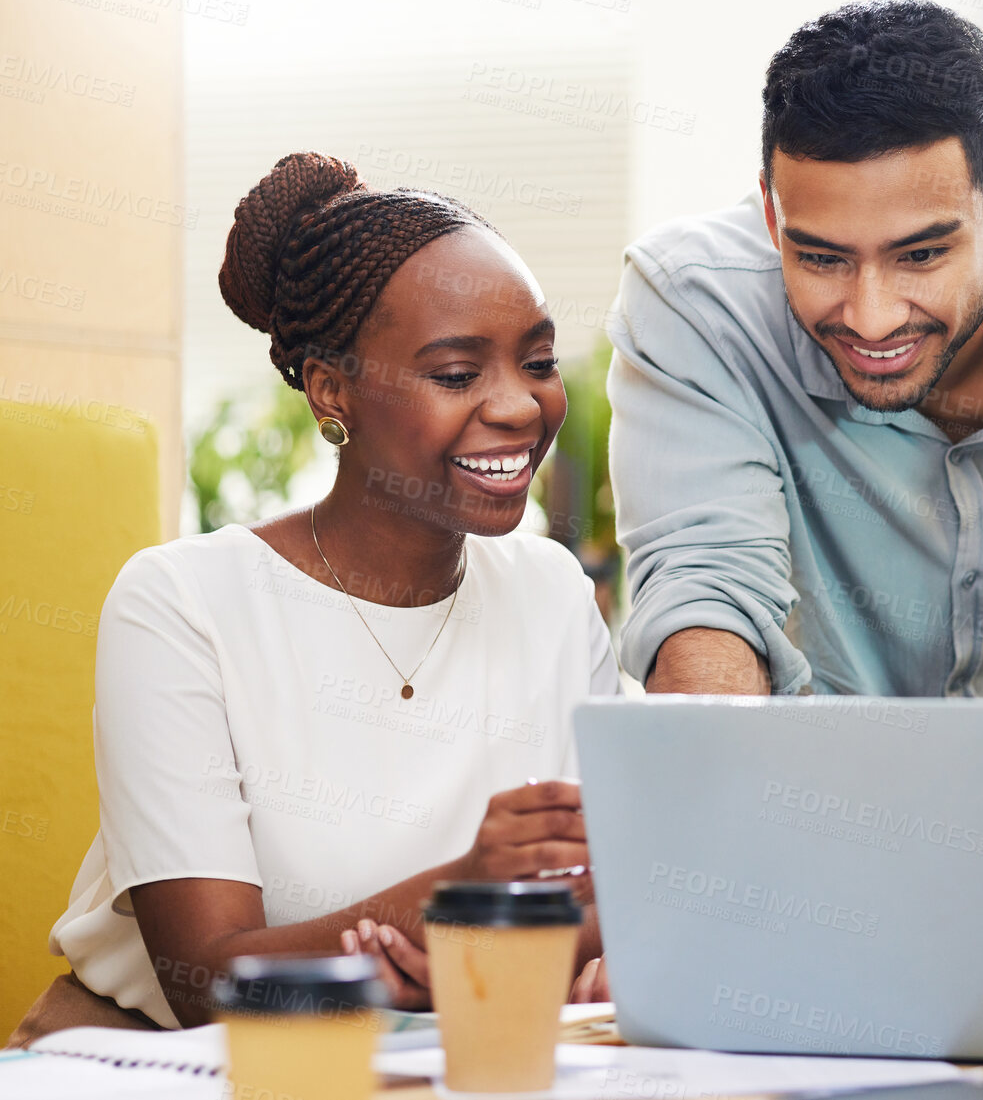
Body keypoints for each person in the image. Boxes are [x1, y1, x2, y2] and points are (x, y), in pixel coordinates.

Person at [18, 153, 618, 1040]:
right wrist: (464, 896)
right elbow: (205, 977)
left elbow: (603, 892)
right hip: (170, 1067)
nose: (521, 406)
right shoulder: (183, 602)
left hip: (453, 1052)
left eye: (535, 360)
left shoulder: (552, 593)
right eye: (457, 374)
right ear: (332, 390)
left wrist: (577, 947)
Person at [607, 0, 983, 697]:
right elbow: (705, 592)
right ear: (771, 214)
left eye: (918, 255)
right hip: (802, 788)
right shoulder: (695, 302)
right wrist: (725, 784)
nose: (872, 318)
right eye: (822, 259)